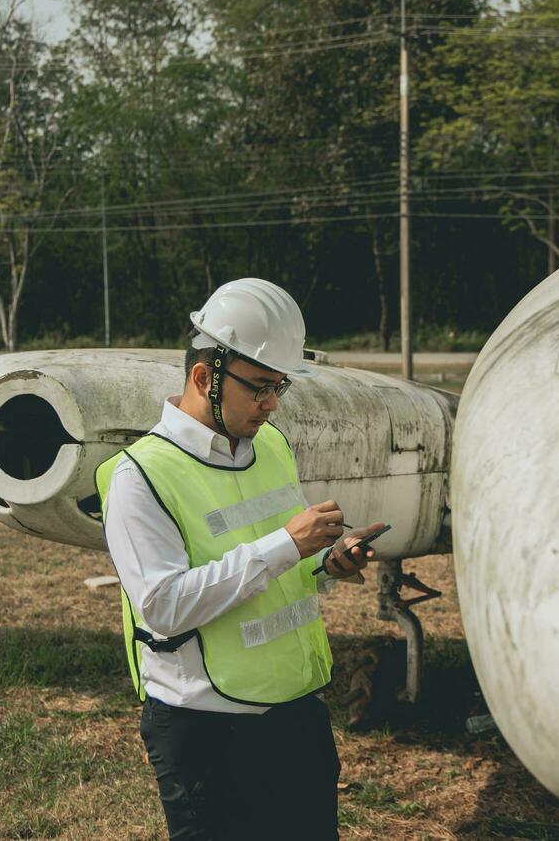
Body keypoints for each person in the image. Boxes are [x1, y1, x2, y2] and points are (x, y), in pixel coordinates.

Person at [96, 277, 383, 840]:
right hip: (206, 732)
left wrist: (327, 565)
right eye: (258, 387)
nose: (271, 403)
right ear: (205, 377)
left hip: (296, 713)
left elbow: (278, 572)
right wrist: (288, 543)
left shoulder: (270, 445)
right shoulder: (140, 477)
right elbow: (164, 607)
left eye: (280, 387)